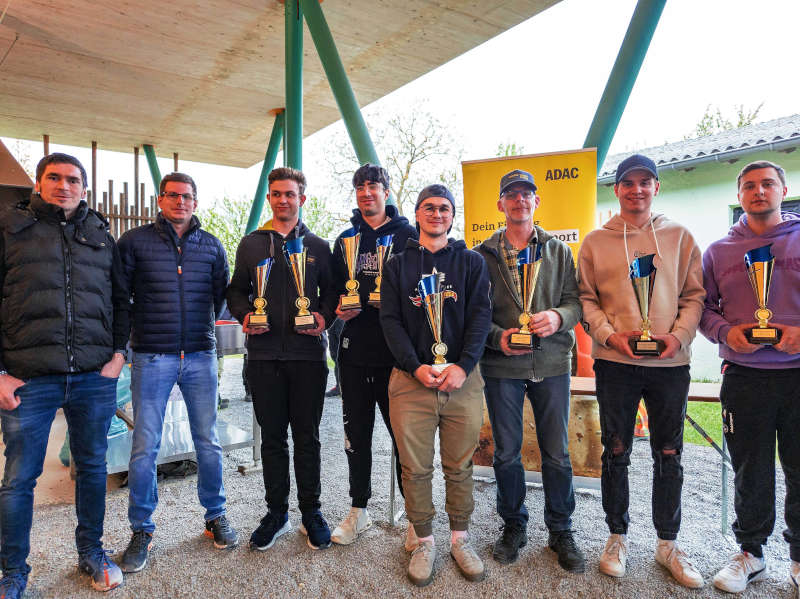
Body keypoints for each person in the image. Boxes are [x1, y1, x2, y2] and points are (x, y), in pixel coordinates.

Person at [0, 153, 130, 596]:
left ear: (84, 188)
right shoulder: (12, 231)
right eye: (53, 178)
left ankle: (91, 552)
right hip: (28, 377)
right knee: (19, 478)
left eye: (73, 180)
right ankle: (14, 572)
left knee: (93, 468)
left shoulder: (98, 235)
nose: (64, 186)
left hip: (93, 376)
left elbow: (120, 300)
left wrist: (118, 355)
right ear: (38, 184)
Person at [576, 153, 705, 588]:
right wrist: (610, 336)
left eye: (645, 182)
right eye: (628, 183)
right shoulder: (596, 242)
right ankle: (617, 536)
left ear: (656, 187)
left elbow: (694, 296)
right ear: (616, 190)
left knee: (669, 453)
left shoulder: (680, 236)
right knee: (615, 451)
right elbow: (587, 299)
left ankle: (668, 543)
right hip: (615, 364)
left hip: (670, 364)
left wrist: (679, 337)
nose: (637, 190)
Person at [116, 172, 236, 573]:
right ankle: (142, 529)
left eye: (187, 196)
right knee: (145, 447)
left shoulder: (212, 246)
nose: (180, 202)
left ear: (196, 202)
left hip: (201, 355)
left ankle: (215, 516)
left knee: (208, 441)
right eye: (172, 196)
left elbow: (221, 297)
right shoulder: (134, 243)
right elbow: (121, 296)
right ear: (160, 200)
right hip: (151, 356)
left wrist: (200, 328)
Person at [381, 184, 491, 586]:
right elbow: (389, 322)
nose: (437, 214)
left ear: (452, 215)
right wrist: (414, 366)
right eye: (429, 207)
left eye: (444, 208)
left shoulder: (471, 262)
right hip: (412, 383)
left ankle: (460, 539)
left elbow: (481, 317)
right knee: (415, 467)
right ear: (417, 213)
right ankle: (424, 540)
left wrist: (463, 366)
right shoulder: (397, 265)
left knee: (461, 465)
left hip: (462, 380)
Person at [475, 169, 584, 571]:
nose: (520, 200)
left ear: (537, 202)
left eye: (527, 194)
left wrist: (558, 317)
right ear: (500, 204)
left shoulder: (558, 251)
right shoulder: (482, 255)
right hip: (502, 365)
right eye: (512, 194)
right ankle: (514, 526)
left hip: (553, 362)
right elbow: (474, 315)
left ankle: (561, 530)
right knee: (506, 453)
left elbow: (576, 301)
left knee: (557, 453)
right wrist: (498, 336)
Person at [699, 160, 800, 594]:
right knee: (750, 470)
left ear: (783, 189)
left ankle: (798, 560)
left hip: (798, 375)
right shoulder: (719, 250)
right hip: (745, 376)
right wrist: (725, 332)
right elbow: (702, 308)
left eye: (768, 184)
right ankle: (752, 554)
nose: (759, 191)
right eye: (750, 186)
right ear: (740, 195)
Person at [227, 167, 337, 551]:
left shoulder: (320, 247)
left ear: (302, 199)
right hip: (263, 356)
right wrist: (244, 316)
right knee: (272, 439)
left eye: (290, 194)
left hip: (308, 357)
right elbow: (237, 291)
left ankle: (311, 512)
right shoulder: (251, 244)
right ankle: (277, 513)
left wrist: (324, 317)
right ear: (270, 197)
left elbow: (334, 296)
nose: (282, 200)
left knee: (307, 438)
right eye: (276, 194)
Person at [329, 163, 417, 545]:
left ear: (387, 190)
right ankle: (358, 509)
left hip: (397, 358)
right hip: (353, 353)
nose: (367, 192)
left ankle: (416, 518)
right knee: (356, 435)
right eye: (361, 187)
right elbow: (331, 291)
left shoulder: (409, 237)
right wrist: (336, 307)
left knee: (404, 439)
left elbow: (422, 292)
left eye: (374, 186)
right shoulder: (345, 239)